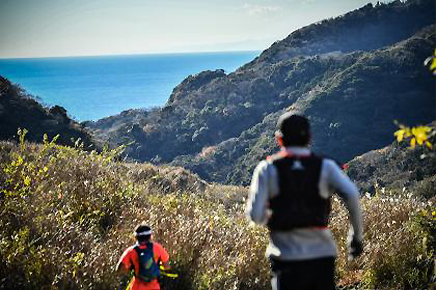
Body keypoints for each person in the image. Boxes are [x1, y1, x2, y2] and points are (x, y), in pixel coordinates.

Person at [246, 113, 363, 290]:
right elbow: (352, 194)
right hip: (321, 257)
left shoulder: (267, 169)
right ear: (309, 137)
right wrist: (355, 236)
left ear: (279, 139)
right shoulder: (326, 166)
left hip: (285, 259)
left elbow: (255, 216)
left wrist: (271, 217)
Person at [116, 224, 170, 290]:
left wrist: (131, 267)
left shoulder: (131, 251)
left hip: (136, 287)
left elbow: (119, 270)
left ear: (135, 237)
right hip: (154, 287)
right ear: (150, 236)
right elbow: (167, 266)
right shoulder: (157, 248)